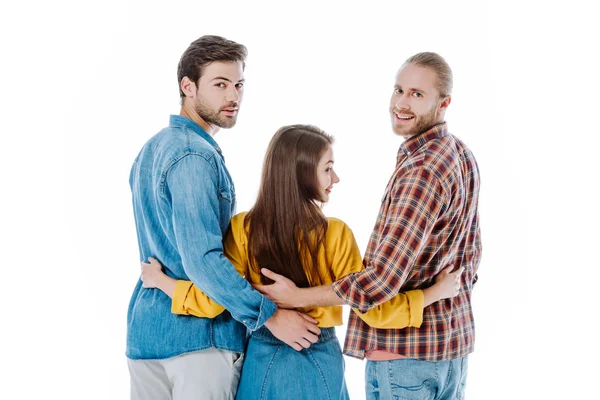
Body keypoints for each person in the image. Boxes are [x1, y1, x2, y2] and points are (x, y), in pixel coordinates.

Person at [141, 124, 464, 400]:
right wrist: (435, 292)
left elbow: (214, 301)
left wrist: (161, 281)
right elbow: (375, 310)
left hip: (261, 358)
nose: (335, 177)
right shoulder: (334, 234)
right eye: (327, 167)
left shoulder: (242, 229)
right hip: (318, 358)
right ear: (301, 173)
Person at [256, 53, 482, 400]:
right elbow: (470, 256)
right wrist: (440, 293)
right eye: (399, 90)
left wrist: (297, 296)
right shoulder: (460, 154)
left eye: (417, 94)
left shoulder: (421, 171)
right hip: (451, 351)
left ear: (444, 103)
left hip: (406, 356)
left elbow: (378, 284)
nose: (402, 103)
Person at [126, 35, 320, 400]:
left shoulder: (150, 150)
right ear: (188, 86)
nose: (233, 97)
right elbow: (202, 260)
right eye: (220, 85)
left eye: (239, 85)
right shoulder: (194, 156)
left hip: (146, 334)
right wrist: (269, 316)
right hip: (199, 341)